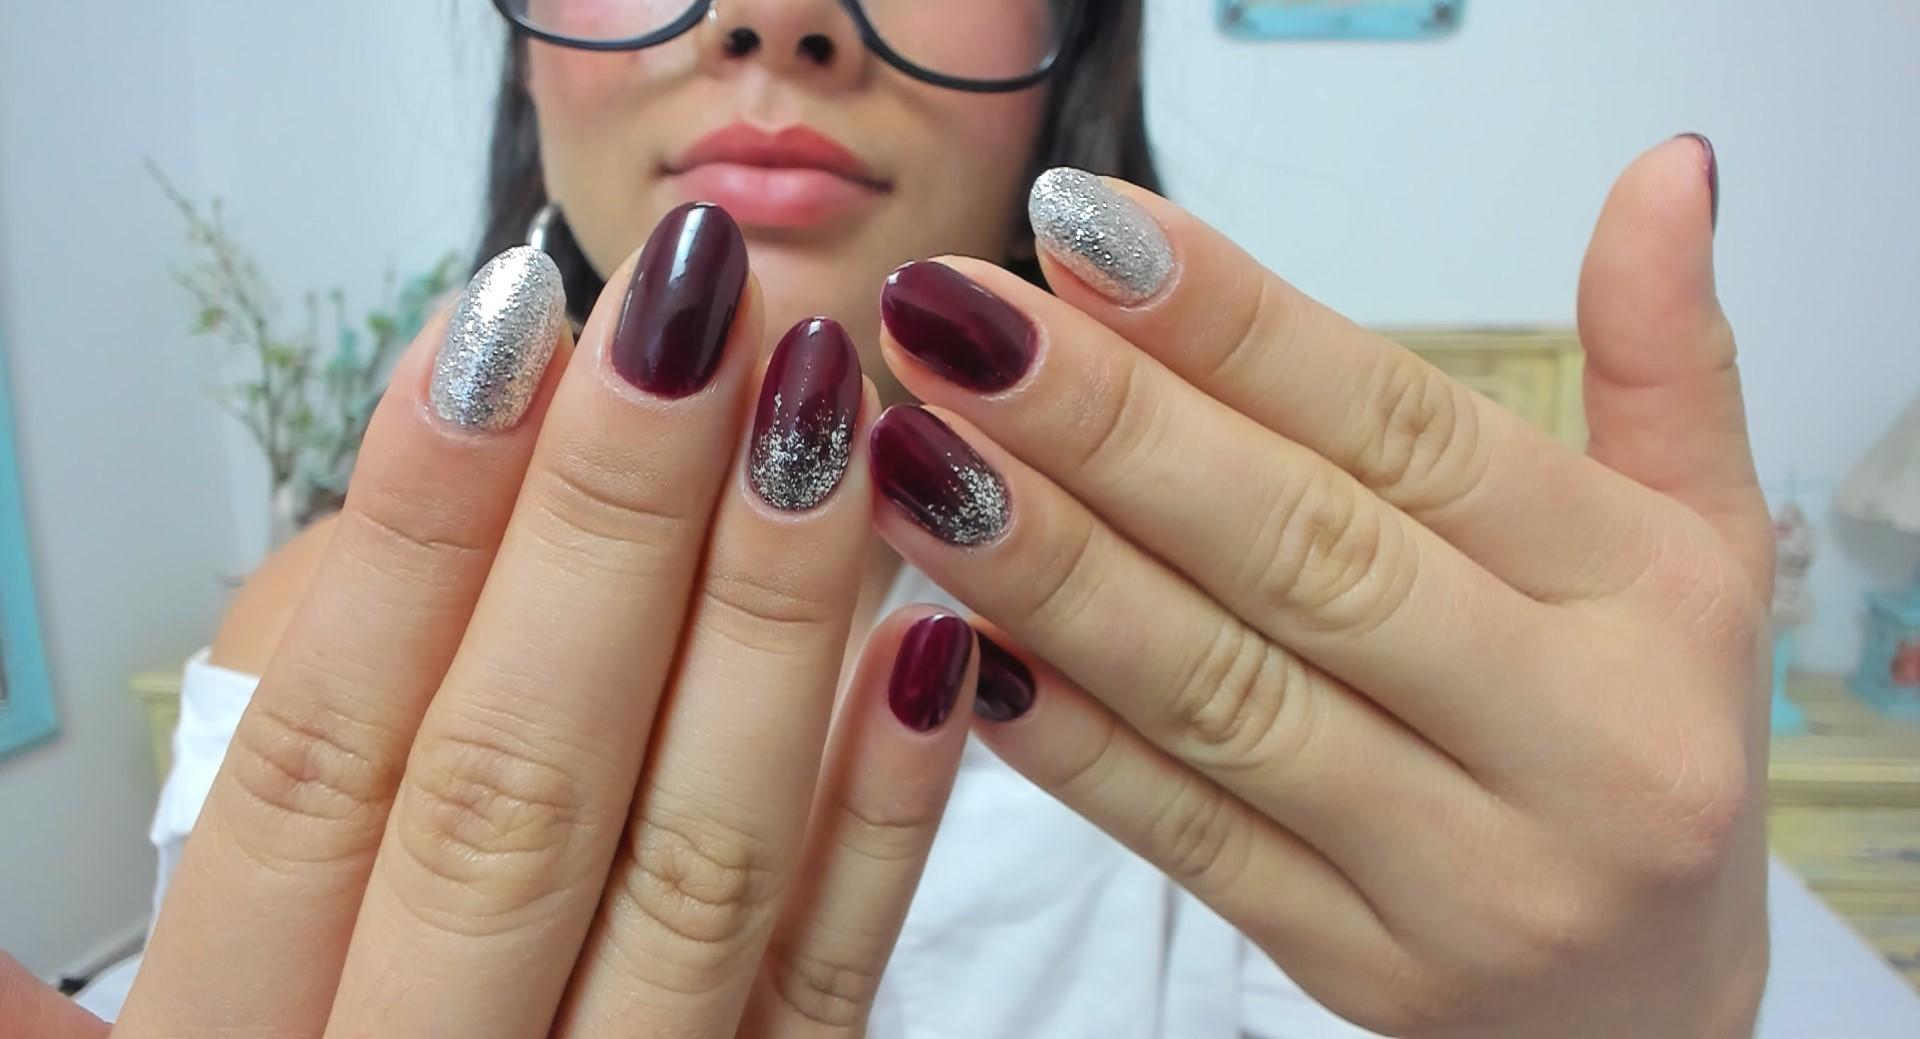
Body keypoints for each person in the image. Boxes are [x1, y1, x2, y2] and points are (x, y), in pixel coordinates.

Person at [3, 1, 1772, 1035]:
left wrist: (1651, 1024)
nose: (780, 16)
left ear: (1076, 41)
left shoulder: (1330, 686)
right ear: (518, 53)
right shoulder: (302, 653)